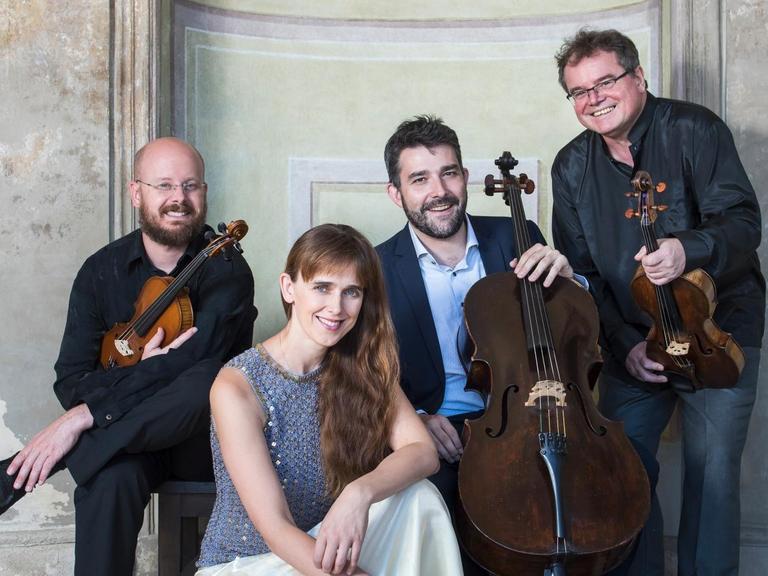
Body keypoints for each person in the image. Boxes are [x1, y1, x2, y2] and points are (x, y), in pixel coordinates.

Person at [551, 28, 764, 576]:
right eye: (578, 91)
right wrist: (623, 347)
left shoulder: (694, 129)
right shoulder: (571, 168)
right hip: (634, 338)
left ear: (638, 78)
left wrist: (686, 248)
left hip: (718, 332)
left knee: (712, 473)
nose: (593, 98)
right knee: (620, 469)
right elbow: (585, 275)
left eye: (605, 81)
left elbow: (743, 224)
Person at [0, 137, 257, 576]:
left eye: (190, 186)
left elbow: (197, 366)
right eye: (164, 186)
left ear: (205, 193)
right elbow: (71, 378)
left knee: (211, 378)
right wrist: (147, 369)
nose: (179, 198)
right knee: (108, 477)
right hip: (130, 440)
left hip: (205, 443)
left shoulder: (226, 268)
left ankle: (64, 451)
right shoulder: (102, 270)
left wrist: (85, 417)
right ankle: (91, 446)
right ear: (136, 192)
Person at [196, 223, 462, 576]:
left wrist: (359, 493)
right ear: (289, 288)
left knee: (419, 498)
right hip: (251, 563)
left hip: (326, 546)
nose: (336, 307)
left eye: (351, 292)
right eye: (322, 287)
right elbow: (277, 529)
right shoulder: (238, 385)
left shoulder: (364, 365)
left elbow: (423, 452)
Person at [376, 115, 577, 575]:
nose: (439, 190)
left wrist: (570, 282)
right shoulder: (378, 267)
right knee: (444, 504)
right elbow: (364, 373)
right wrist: (414, 420)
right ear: (396, 192)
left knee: (633, 475)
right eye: (419, 179)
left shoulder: (515, 237)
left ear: (465, 178)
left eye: (448, 173)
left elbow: (570, 334)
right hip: (441, 428)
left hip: (531, 414)